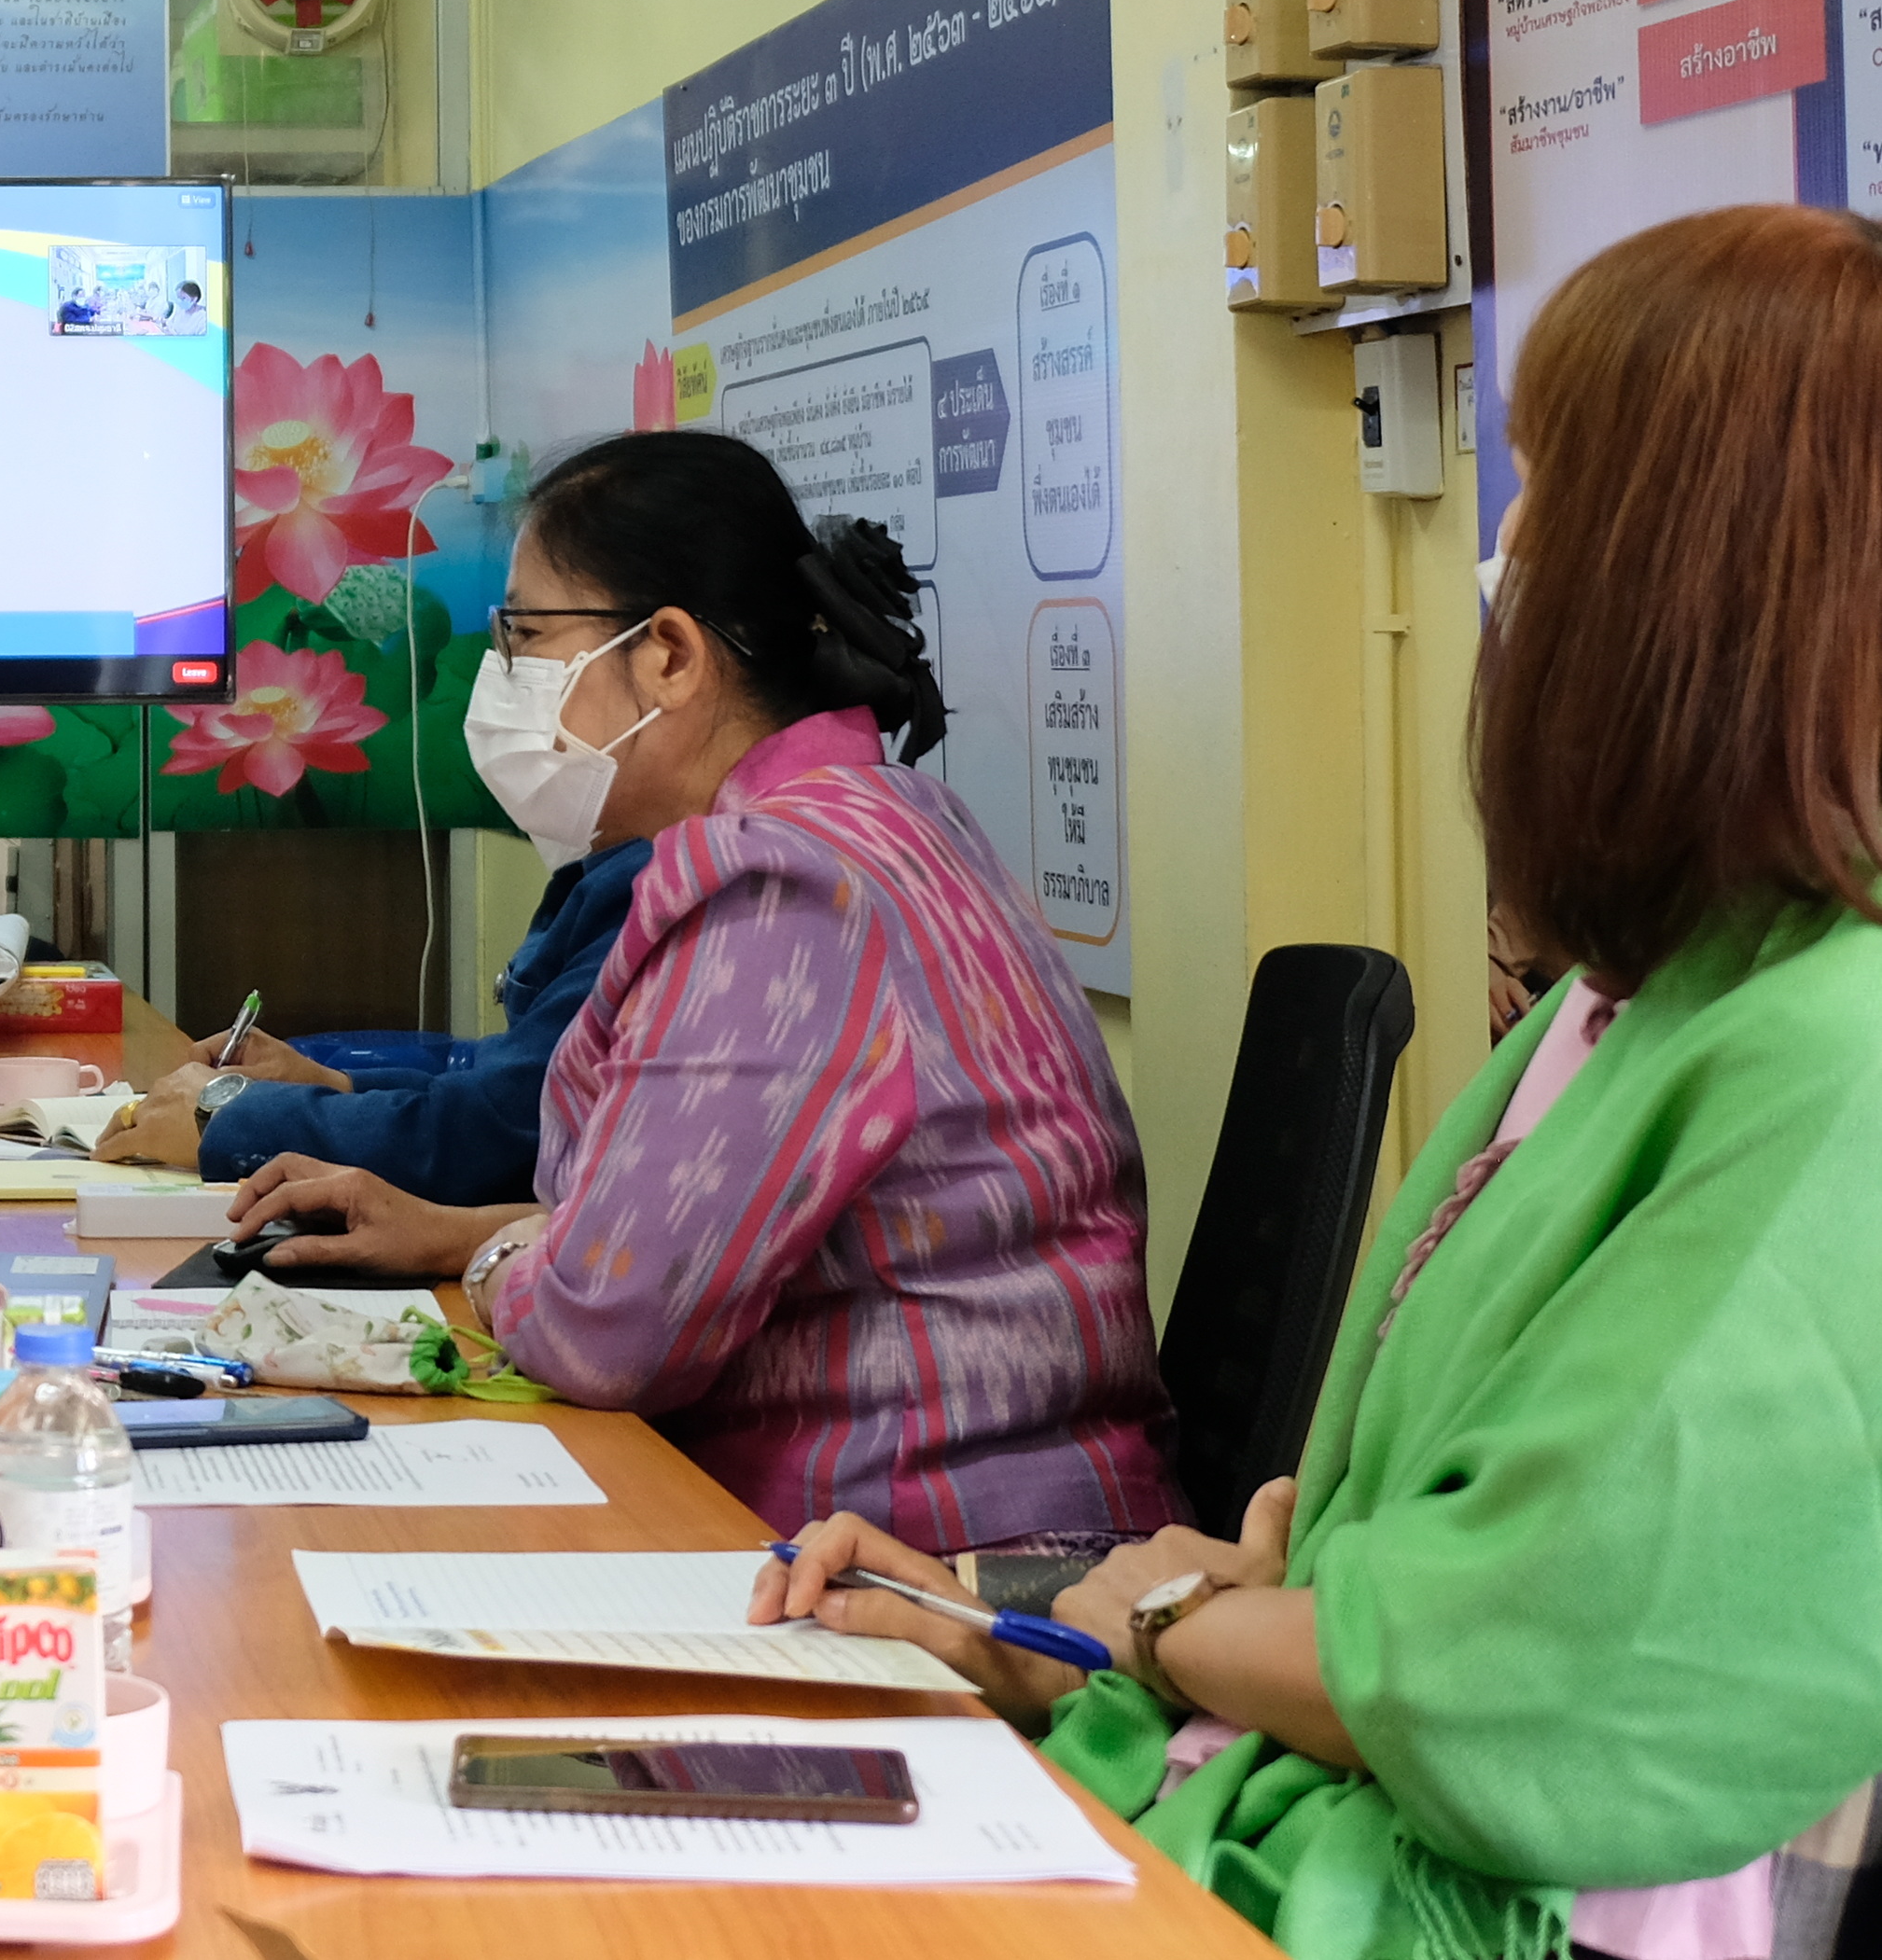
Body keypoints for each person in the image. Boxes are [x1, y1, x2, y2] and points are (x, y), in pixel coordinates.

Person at [760, 208, 1882, 1959]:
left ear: (1687, 581)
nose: (1505, 548)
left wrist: (1159, 1620)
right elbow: (1364, 1577)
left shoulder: (1835, 1056)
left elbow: (1516, 1671)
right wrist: (1035, 1623)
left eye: (1550, 484)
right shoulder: (1624, 1006)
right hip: (1288, 1793)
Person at [226, 428, 1176, 1554]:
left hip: (926, 1561)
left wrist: (488, 1259)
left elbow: (609, 1334)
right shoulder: (892, 815)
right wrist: (457, 1232)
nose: (508, 680)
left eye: (526, 637)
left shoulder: (778, 883)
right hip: (957, 1521)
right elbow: (704, 1226)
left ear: (669, 653)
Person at [95, 835, 651, 1191]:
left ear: (670, 658)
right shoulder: (615, 871)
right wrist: (333, 1082)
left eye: (527, 642)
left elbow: (488, 1134)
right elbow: (511, 1079)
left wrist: (225, 1115)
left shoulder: (662, 891)